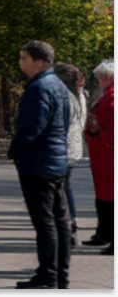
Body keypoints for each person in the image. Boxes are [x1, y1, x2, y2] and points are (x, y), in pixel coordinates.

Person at [8, 40, 72, 289]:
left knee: (45, 221)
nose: (20, 62)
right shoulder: (56, 83)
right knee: (58, 219)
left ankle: (49, 274)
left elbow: (32, 127)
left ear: (39, 61)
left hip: (39, 163)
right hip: (54, 160)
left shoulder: (40, 87)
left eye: (24, 58)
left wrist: (16, 152)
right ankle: (59, 273)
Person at [54, 63, 87, 246]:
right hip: (72, 148)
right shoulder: (79, 95)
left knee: (60, 189)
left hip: (62, 148)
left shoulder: (64, 97)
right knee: (65, 187)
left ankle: (67, 226)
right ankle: (71, 224)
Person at [84, 60, 114, 253]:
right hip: (103, 154)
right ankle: (103, 233)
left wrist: (98, 131)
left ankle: (110, 237)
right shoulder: (108, 95)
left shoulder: (112, 98)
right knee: (104, 197)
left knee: (110, 198)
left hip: (108, 153)